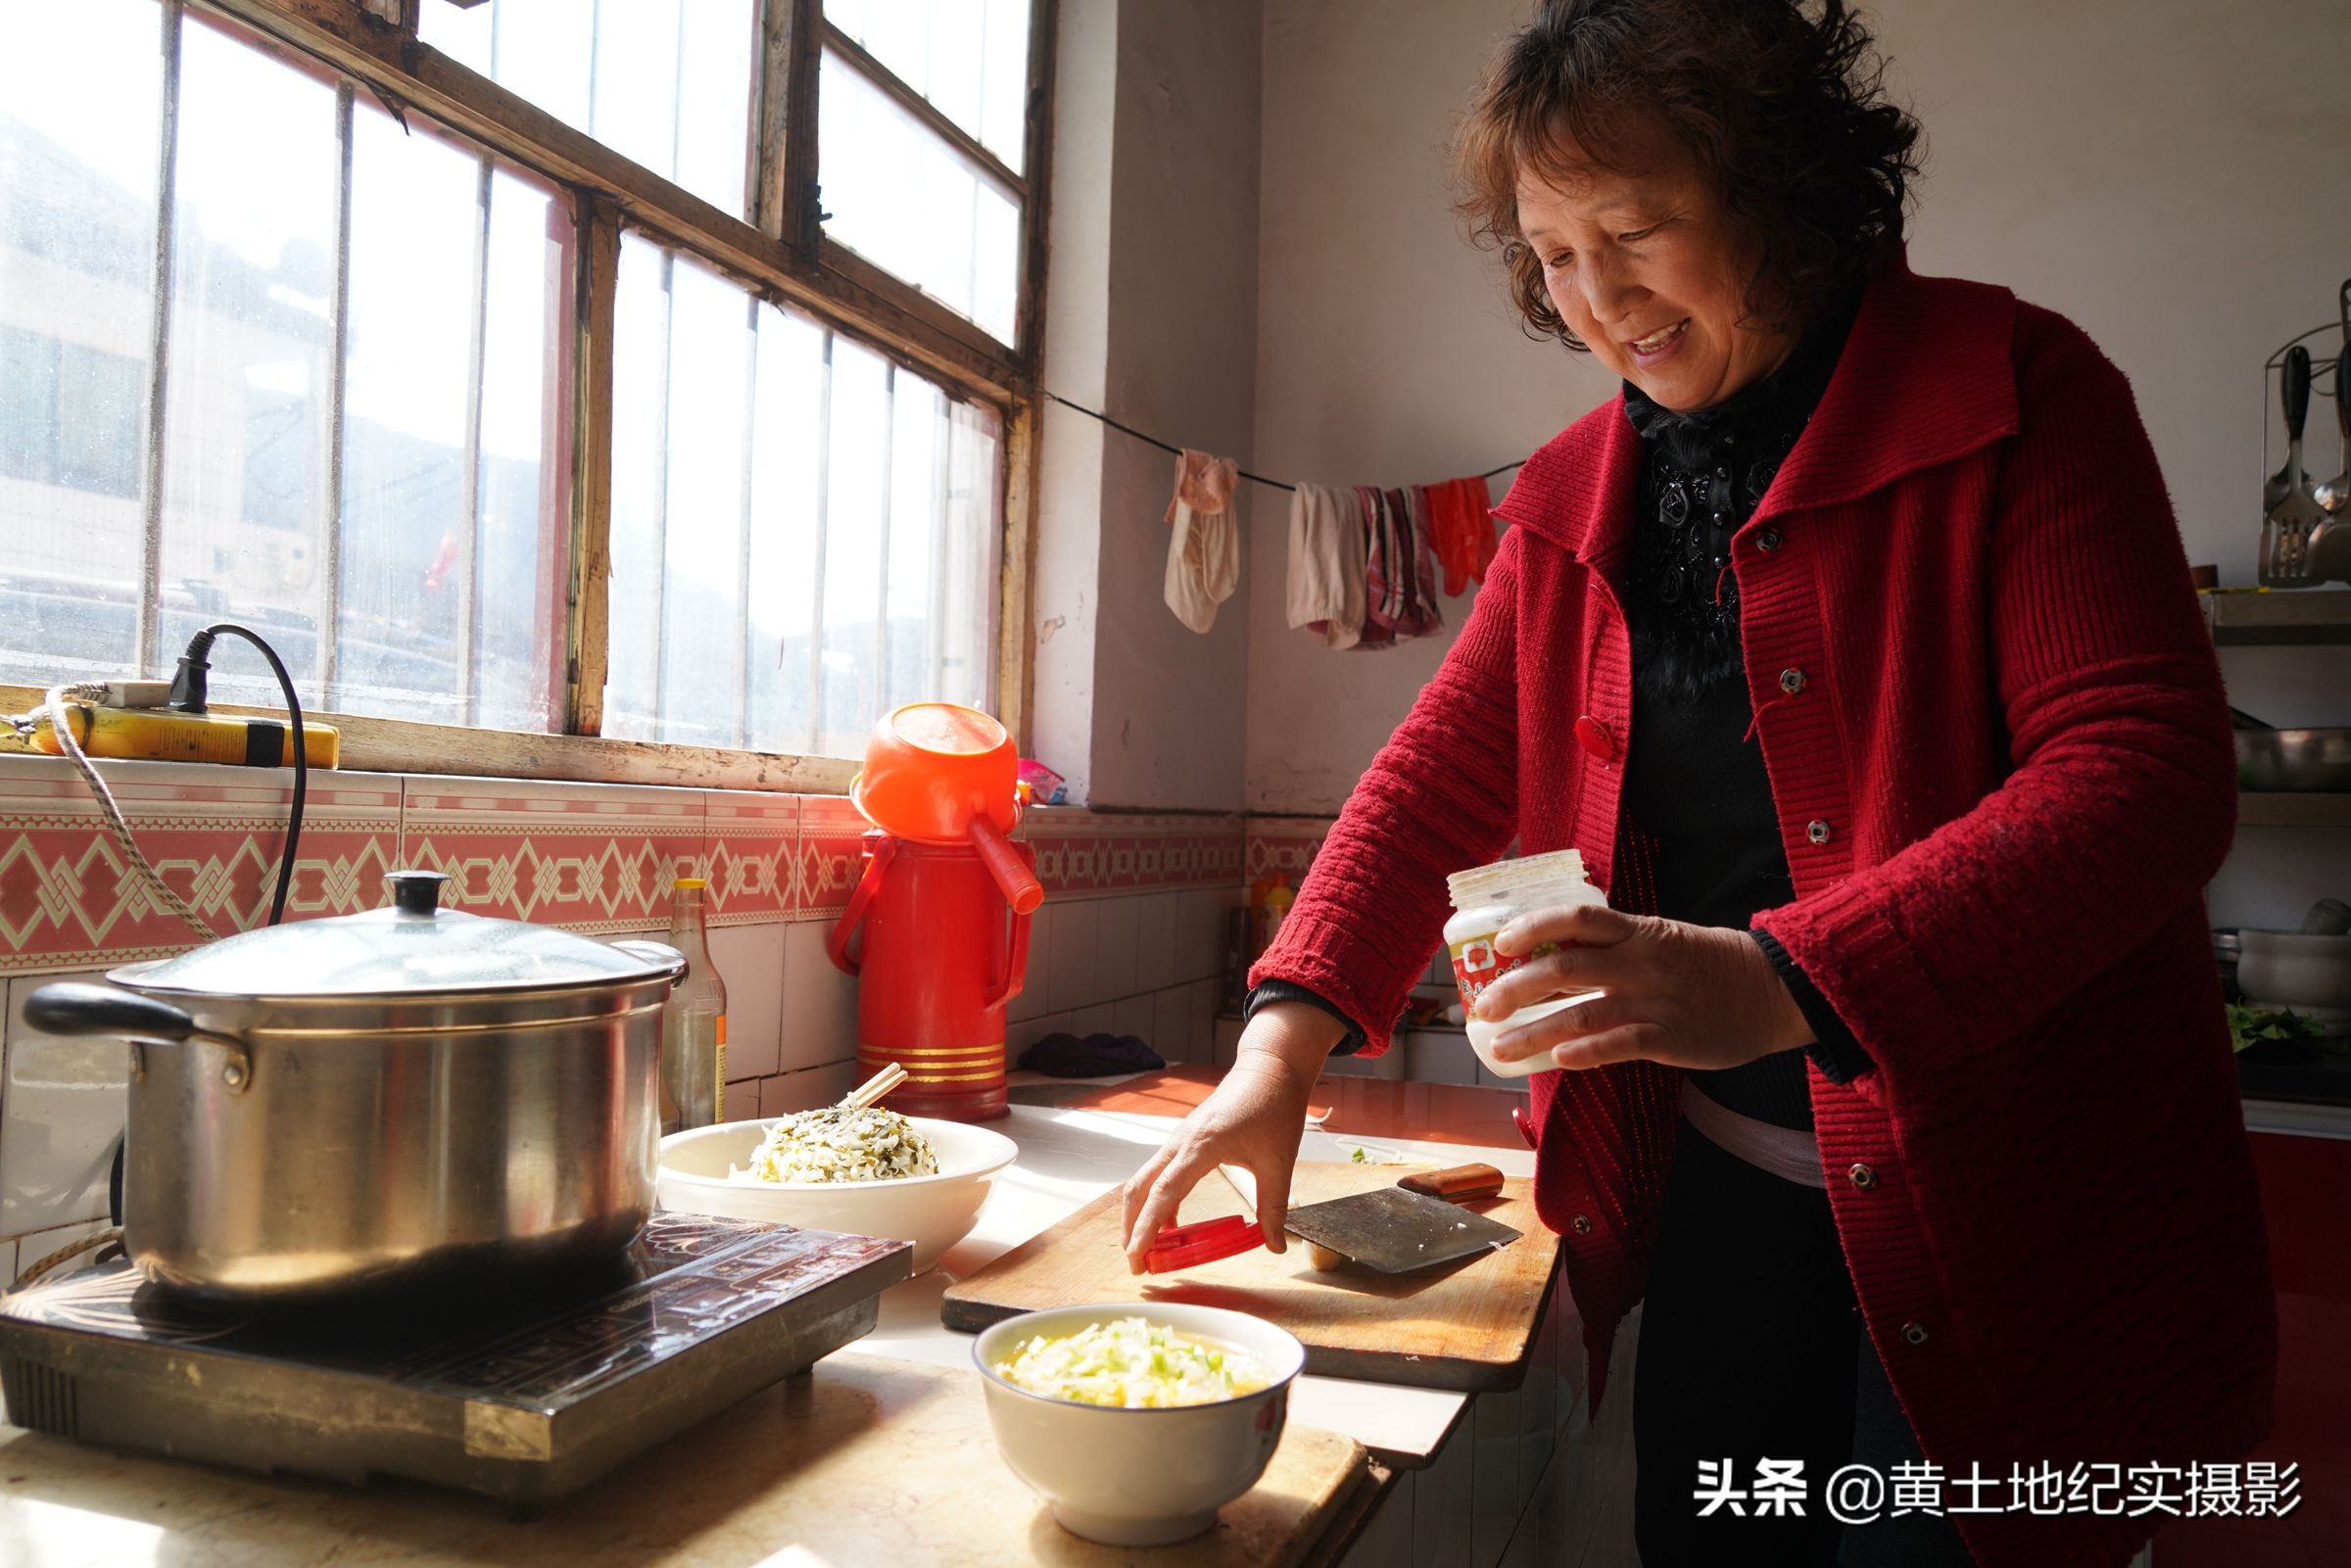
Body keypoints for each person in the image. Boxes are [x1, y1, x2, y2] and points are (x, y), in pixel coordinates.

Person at [1118, 2, 2278, 1564]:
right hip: (1740, 1192)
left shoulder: (2019, 396)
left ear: (1781, 190)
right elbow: (1433, 780)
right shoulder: (1577, 494)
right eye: (1552, 254)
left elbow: (2142, 779)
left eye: (1638, 230)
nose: (1597, 301)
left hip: (2015, 1211)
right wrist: (1279, 1058)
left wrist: (1774, 977)